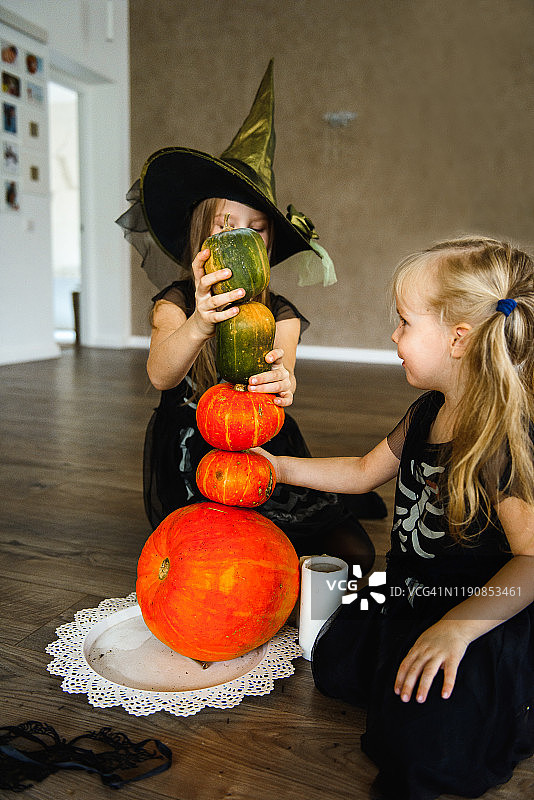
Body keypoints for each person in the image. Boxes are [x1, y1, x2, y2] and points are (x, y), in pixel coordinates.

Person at [257, 236, 534, 800]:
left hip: (482, 610)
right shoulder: (426, 410)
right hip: (412, 591)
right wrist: (279, 467)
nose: (393, 336)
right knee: (335, 661)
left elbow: (531, 560)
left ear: (458, 339)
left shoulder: (499, 441)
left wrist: (458, 628)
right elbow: (362, 471)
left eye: (404, 323)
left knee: (424, 749)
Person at [117, 61, 386, 568]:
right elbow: (160, 372)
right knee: (217, 554)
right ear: (201, 233)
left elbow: (282, 373)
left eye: (256, 229)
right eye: (226, 225)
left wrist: (281, 381)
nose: (241, 238)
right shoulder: (175, 303)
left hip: (259, 443)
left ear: (267, 246)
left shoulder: (279, 313)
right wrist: (200, 322)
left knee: (355, 553)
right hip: (190, 450)